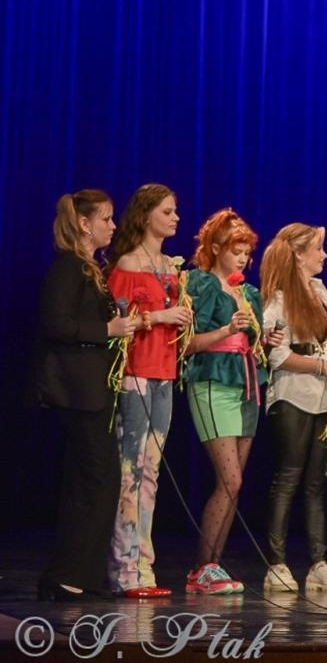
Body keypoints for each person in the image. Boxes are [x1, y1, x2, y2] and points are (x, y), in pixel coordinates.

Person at [36, 190, 137, 601]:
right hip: (76, 390)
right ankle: (68, 574)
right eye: (107, 219)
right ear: (83, 223)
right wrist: (107, 331)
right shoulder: (69, 269)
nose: (113, 227)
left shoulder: (88, 269)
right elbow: (56, 324)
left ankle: (77, 576)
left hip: (92, 390)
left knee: (90, 481)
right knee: (97, 479)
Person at [185, 208, 278, 595]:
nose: (242, 258)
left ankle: (212, 567)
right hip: (212, 383)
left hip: (245, 387)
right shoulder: (202, 285)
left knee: (234, 486)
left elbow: (251, 345)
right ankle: (201, 567)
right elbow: (188, 344)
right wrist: (227, 329)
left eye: (246, 252)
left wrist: (262, 342)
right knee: (230, 479)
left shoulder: (249, 293)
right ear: (216, 248)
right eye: (236, 250)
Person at [104, 184, 191, 598]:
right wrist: (157, 315)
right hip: (136, 373)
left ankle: (144, 565)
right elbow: (116, 324)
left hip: (164, 373)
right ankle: (124, 567)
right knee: (130, 470)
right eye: (167, 211)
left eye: (175, 212)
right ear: (146, 215)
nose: (175, 218)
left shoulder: (169, 267)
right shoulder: (128, 263)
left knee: (151, 471)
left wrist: (181, 319)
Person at [261, 223, 327, 593]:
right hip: (293, 395)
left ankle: (318, 562)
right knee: (289, 476)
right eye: (318, 248)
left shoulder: (319, 289)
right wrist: (321, 366)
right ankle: (277, 564)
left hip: (322, 396)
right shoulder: (279, 299)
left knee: (316, 482)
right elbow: (277, 354)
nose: (324, 255)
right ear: (299, 254)